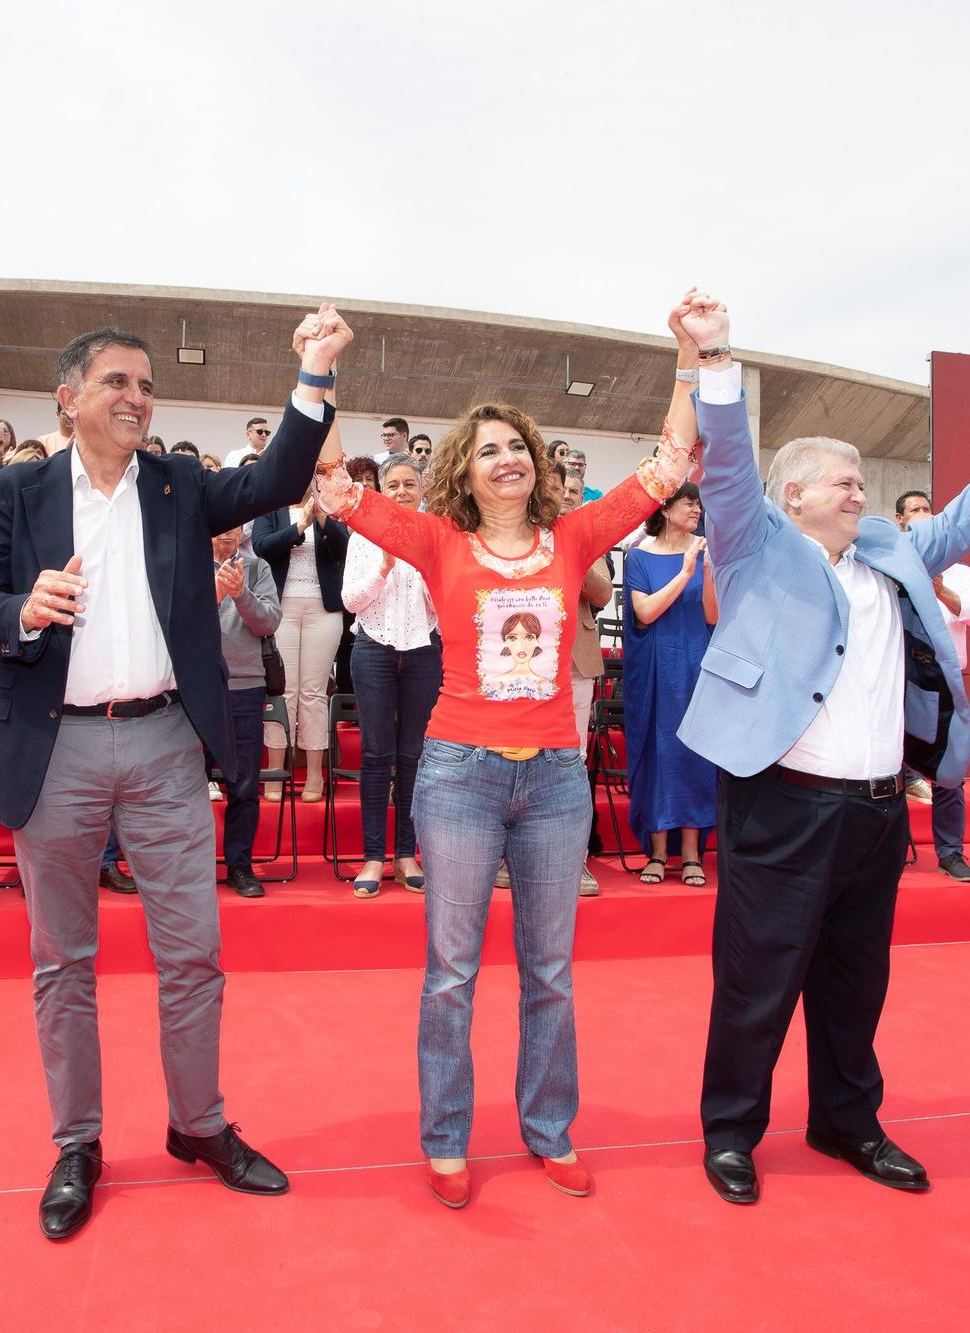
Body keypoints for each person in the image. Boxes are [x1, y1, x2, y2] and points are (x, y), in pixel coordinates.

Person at [673, 293, 970, 1208]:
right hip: (781, 802)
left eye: (863, 483)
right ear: (793, 496)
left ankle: (847, 1121)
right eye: (841, 483)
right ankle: (731, 1132)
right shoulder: (753, 546)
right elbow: (729, 465)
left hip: (874, 806)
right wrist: (717, 356)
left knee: (858, 979)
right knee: (758, 978)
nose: (860, 493)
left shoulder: (892, 549)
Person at [0, 306, 348, 1241]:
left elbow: (281, 475)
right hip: (58, 750)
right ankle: (78, 1143)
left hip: (168, 745)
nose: (137, 397)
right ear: (69, 397)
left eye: (145, 384)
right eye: (117, 382)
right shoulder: (15, 493)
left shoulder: (177, 484)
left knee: (194, 953)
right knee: (63, 964)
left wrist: (314, 372)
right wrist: (21, 610)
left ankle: (198, 1123)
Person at [311, 294, 704, 1209]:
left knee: (551, 974)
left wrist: (687, 359)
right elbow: (334, 484)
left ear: (536, 463)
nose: (508, 458)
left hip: (558, 784)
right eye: (489, 447)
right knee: (450, 972)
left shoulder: (574, 538)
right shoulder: (434, 540)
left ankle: (548, 1127)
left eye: (517, 445)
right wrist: (319, 369)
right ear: (466, 468)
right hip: (457, 777)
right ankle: (446, 1136)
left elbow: (668, 464)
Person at [339, 454, 439, 897]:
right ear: (381, 490)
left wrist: (425, 570)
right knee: (378, 755)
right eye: (392, 484)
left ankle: (406, 854)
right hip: (373, 650)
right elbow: (350, 601)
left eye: (409, 484)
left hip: (422, 651)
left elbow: (445, 608)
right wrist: (383, 566)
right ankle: (374, 858)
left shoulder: (435, 536)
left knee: (414, 755)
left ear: (422, 490)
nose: (401, 492)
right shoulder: (362, 534)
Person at [622, 482, 718, 886]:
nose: (697, 510)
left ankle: (693, 852)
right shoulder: (639, 556)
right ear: (664, 509)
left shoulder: (707, 549)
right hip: (657, 666)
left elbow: (713, 616)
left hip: (698, 660)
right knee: (659, 751)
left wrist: (709, 570)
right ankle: (658, 852)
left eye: (699, 504)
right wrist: (685, 574)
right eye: (689, 503)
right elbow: (644, 612)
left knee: (696, 753)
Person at [895, 490, 970, 881]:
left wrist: (940, 591)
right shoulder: (889, 569)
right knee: (887, 767)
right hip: (896, 681)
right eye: (914, 510)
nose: (923, 515)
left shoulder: (960, 572)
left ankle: (950, 852)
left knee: (950, 771)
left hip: (943, 684)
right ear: (900, 522)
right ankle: (890, 848)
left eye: (927, 509)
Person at [253, 479, 349, 802]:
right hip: (282, 607)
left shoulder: (330, 509)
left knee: (313, 692)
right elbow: (261, 546)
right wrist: (299, 527)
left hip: (324, 610)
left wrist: (321, 519)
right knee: (285, 691)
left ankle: (315, 776)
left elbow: (344, 548)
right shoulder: (272, 507)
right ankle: (276, 774)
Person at [211, 523, 281, 899]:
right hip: (197, 690)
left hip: (245, 687)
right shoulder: (187, 563)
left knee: (244, 785)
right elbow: (177, 624)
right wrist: (217, 592)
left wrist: (240, 595)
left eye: (234, 528)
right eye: (220, 528)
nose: (227, 535)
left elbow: (269, 621)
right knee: (186, 784)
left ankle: (240, 864)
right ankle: (189, 865)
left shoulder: (256, 568)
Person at [559, 466, 610, 896]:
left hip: (577, 662)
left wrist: (576, 556)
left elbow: (603, 594)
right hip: (524, 662)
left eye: (574, 490)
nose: (567, 496)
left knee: (573, 762)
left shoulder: (588, 535)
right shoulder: (523, 530)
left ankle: (574, 861)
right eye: (559, 490)